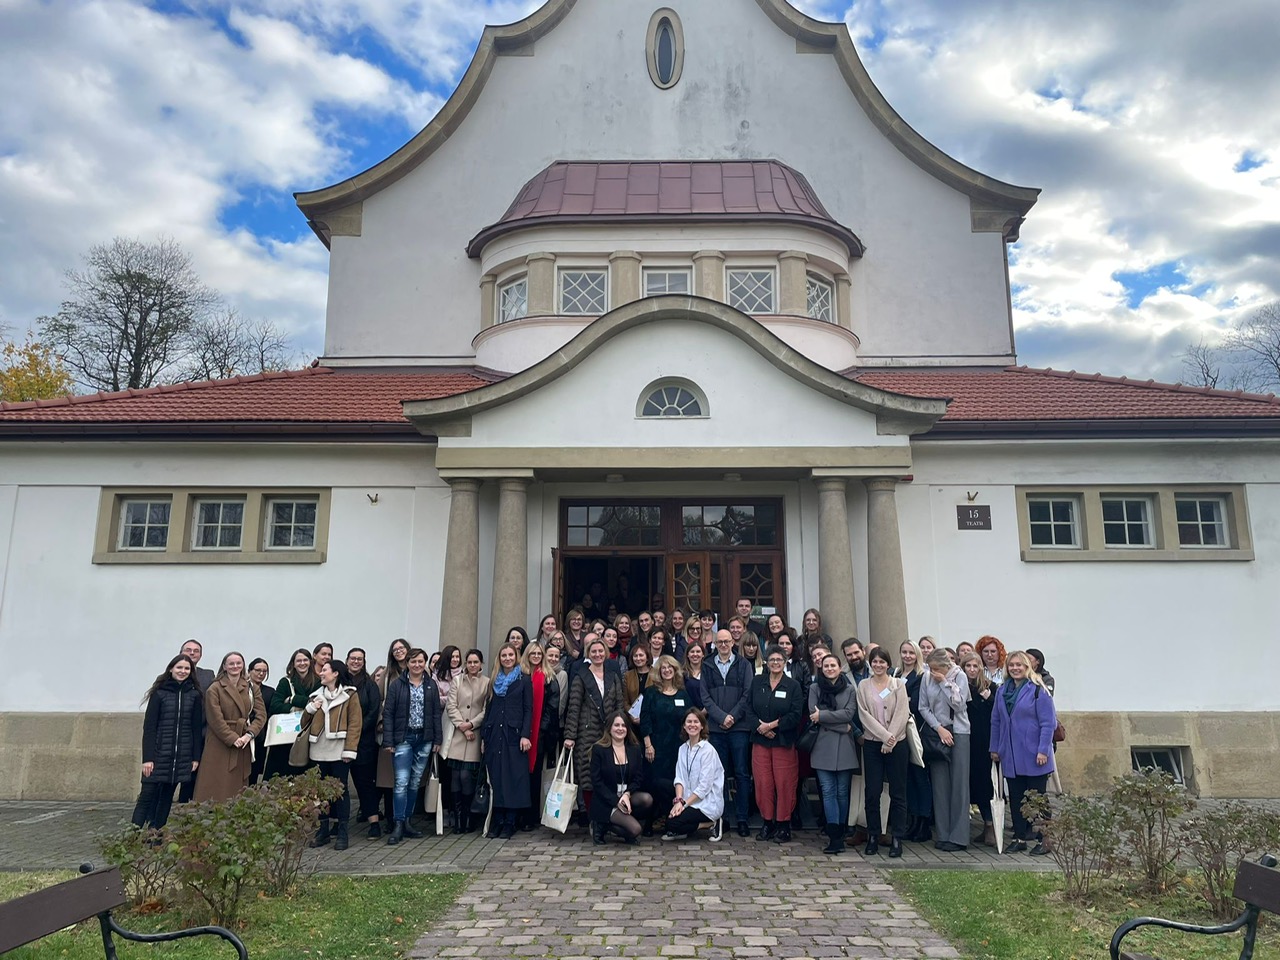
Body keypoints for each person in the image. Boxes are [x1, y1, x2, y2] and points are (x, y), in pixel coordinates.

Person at [989, 650, 1058, 855]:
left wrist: (1043, 750)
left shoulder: (1038, 690)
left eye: (1019, 665)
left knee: (1038, 798)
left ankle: (1046, 838)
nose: (1015, 668)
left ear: (1027, 666)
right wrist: (995, 747)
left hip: (1034, 754)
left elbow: (1048, 723)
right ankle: (1019, 837)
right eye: (1011, 665)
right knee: (1016, 798)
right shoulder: (1002, 691)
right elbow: (996, 721)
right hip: (1011, 754)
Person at [132, 654, 204, 830]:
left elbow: (196, 728)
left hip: (181, 757)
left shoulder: (194, 695)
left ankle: (155, 835)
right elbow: (150, 728)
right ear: (171, 669)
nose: (183, 671)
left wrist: (195, 757)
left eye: (187, 668)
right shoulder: (159, 693)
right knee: (146, 796)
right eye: (179, 667)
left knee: (166, 799)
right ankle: (132, 835)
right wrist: (148, 758)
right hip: (158, 755)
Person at [382, 647, 442, 845]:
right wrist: (388, 741)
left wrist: (437, 739)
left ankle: (408, 821)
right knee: (401, 782)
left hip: (424, 738)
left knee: (415, 782)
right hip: (403, 738)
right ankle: (398, 823)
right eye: (413, 661)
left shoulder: (431, 685)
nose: (417, 665)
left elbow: (435, 714)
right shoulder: (397, 685)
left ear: (425, 663)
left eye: (420, 661)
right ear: (407, 663)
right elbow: (388, 714)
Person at [745, 645, 804, 843]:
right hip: (760, 741)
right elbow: (748, 708)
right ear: (766, 662)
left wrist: (772, 726)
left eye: (779, 660)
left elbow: (796, 714)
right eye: (772, 660)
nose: (775, 663)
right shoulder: (757, 682)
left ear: (785, 662)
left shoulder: (793, 686)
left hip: (783, 742)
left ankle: (783, 824)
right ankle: (767, 823)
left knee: (784, 783)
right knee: (763, 783)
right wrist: (760, 727)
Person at [303, 659, 362, 850]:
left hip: (339, 751)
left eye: (325, 670)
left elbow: (355, 724)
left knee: (341, 791)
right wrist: (311, 708)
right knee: (320, 793)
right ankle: (323, 831)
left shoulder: (350, 694)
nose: (321, 673)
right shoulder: (316, 695)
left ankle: (342, 832)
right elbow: (303, 722)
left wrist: (350, 750)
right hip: (318, 750)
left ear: (335, 673)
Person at [563, 638, 627, 816]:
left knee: (608, 774)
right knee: (587, 775)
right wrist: (570, 735)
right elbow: (574, 707)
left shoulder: (613, 676)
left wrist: (620, 728)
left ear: (605, 653)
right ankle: (590, 814)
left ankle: (608, 815)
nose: (598, 654)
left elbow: (619, 705)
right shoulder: (581, 676)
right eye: (594, 652)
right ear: (588, 654)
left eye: (600, 651)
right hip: (587, 732)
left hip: (609, 733)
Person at [855, 647, 908, 857]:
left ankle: (897, 837)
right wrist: (884, 737)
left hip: (897, 744)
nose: (878, 665)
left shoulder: (898, 685)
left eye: (882, 662)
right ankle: (873, 835)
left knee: (898, 792)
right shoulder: (863, 685)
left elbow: (902, 712)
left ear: (888, 664)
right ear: (870, 663)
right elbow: (864, 715)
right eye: (874, 662)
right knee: (872, 792)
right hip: (872, 744)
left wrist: (891, 739)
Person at [701, 629, 753, 837]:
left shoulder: (744, 664)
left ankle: (742, 818)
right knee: (718, 775)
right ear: (714, 644)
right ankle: (722, 817)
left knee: (741, 773)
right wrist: (721, 717)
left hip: (739, 727)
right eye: (719, 642)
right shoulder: (707, 664)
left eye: (727, 641)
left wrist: (732, 716)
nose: (723, 645)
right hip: (716, 728)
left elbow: (747, 694)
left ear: (733, 642)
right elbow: (705, 696)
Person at [806, 653, 860, 854]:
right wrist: (841, 726)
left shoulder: (849, 689)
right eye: (826, 665)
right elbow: (813, 715)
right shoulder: (815, 688)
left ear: (839, 668)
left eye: (833, 665)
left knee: (842, 791)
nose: (829, 668)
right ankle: (834, 836)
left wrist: (824, 716)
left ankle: (842, 829)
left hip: (845, 747)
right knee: (828, 790)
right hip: (822, 746)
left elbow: (848, 714)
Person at [918, 649, 971, 852]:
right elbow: (923, 707)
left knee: (959, 784)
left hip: (959, 732)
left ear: (946, 666)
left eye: (936, 669)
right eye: (930, 668)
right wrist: (938, 728)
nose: (932, 672)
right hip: (937, 734)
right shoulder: (926, 678)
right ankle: (943, 834)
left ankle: (958, 836)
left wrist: (944, 683)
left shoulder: (960, 676)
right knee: (940, 785)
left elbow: (959, 705)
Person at [193, 652, 265, 803]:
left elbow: (261, 715)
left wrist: (249, 734)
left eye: (238, 663)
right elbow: (215, 718)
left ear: (243, 665)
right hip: (219, 741)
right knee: (214, 782)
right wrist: (232, 738)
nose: (235, 666)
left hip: (243, 740)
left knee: (236, 786)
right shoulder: (215, 688)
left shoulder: (251, 688)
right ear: (224, 666)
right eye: (231, 663)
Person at [483, 641, 533, 839]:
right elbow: (488, 708)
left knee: (513, 778)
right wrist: (484, 736)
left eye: (510, 655)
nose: (507, 658)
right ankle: (498, 820)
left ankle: (510, 822)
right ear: (499, 658)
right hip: (495, 733)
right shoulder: (494, 680)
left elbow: (528, 709)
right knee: (496, 778)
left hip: (514, 734)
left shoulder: (524, 679)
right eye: (504, 655)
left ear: (516, 656)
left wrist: (525, 735)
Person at [639, 654, 687, 834]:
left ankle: (670, 820)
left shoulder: (682, 693)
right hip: (655, 748)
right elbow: (645, 719)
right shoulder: (651, 692)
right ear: (658, 672)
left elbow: (690, 718)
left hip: (677, 748)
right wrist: (648, 744)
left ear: (675, 670)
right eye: (663, 668)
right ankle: (649, 822)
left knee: (673, 785)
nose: (667, 671)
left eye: (670, 667)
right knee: (654, 784)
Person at [589, 712, 653, 844]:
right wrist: (616, 801)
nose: (620, 728)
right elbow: (597, 782)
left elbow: (638, 777)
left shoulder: (635, 749)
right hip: (606, 801)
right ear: (609, 728)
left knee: (647, 799)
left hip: (626, 796)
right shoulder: (599, 749)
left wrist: (627, 794)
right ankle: (601, 824)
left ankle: (624, 819)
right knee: (635, 830)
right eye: (616, 725)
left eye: (623, 725)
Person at [444, 648, 489, 834]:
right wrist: (462, 725)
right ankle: (457, 819)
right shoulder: (457, 681)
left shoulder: (487, 683)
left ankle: (468, 818)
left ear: (481, 664)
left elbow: (486, 709)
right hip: (457, 734)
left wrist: (471, 724)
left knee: (466, 776)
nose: (472, 665)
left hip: (474, 735)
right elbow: (451, 705)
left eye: (475, 662)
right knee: (455, 776)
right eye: (469, 662)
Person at [663, 708, 725, 841]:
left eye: (696, 722)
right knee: (669, 824)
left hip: (706, 804)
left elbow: (704, 787)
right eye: (689, 722)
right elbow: (679, 778)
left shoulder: (708, 751)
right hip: (687, 800)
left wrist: (683, 805)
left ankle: (712, 823)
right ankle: (686, 828)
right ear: (684, 726)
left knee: (673, 824)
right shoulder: (682, 749)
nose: (692, 725)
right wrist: (678, 801)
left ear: (702, 726)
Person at [519, 642, 560, 830]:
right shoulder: (520, 675)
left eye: (539, 653)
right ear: (527, 655)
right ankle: (518, 814)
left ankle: (531, 816)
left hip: (539, 735)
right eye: (532, 653)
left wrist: (539, 730)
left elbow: (552, 708)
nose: (536, 656)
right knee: (520, 775)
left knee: (534, 776)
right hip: (520, 732)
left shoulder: (549, 678)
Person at [345, 648, 383, 840]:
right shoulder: (340, 683)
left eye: (360, 659)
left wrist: (355, 730)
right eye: (353, 658)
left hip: (363, 742)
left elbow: (374, 712)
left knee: (365, 784)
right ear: (347, 660)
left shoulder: (370, 685)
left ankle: (374, 823)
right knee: (338, 784)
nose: (356, 662)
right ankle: (337, 824)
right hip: (340, 742)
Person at [265, 648, 318, 781]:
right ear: (293, 664)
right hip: (285, 738)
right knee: (281, 776)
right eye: (298, 661)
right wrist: (298, 707)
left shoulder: (318, 682)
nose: (302, 663)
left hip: (308, 735)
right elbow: (275, 706)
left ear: (310, 662)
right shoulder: (285, 682)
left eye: (305, 660)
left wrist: (292, 699)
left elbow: (318, 703)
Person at [960, 652, 996, 846]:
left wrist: (989, 699)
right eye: (968, 666)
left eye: (975, 666)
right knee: (968, 783)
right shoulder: (958, 687)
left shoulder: (990, 687)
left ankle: (990, 825)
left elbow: (998, 714)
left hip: (984, 743)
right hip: (965, 741)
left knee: (985, 785)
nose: (972, 670)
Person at [898, 639, 932, 843]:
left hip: (915, 732)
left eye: (911, 652)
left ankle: (923, 822)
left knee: (920, 777)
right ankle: (912, 820)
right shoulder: (895, 674)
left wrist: (901, 702)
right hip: (898, 732)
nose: (907, 656)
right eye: (904, 652)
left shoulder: (921, 676)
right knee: (908, 778)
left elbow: (916, 703)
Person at [433, 646, 462, 828]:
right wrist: (452, 698)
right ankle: (443, 810)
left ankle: (455, 809)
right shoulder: (436, 676)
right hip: (443, 726)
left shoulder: (464, 675)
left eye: (458, 657)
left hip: (459, 727)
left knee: (456, 772)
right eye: (452, 657)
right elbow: (435, 699)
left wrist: (449, 698)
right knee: (444, 771)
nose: (455, 660)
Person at [247, 658, 270, 784]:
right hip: (243, 733)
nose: (261, 674)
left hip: (260, 736)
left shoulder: (269, 692)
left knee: (255, 771)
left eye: (264, 671)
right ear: (249, 671)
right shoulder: (242, 688)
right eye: (258, 670)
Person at [623, 642, 652, 715]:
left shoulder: (656, 674)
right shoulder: (628, 675)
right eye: (635, 656)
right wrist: (632, 714)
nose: (638, 658)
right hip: (632, 717)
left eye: (641, 655)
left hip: (652, 716)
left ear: (647, 657)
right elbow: (625, 701)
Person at [682, 641, 706, 709]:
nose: (695, 654)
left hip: (706, 712)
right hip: (687, 712)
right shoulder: (681, 674)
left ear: (703, 654)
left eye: (698, 651)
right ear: (687, 655)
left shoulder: (709, 673)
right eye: (692, 652)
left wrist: (704, 711)